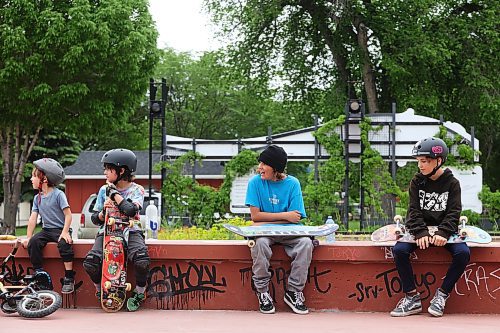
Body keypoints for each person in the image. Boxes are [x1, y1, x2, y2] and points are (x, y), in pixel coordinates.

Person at [390, 137, 470, 317]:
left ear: (439, 161)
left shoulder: (452, 183)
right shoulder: (416, 182)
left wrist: (443, 232)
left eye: (425, 161)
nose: (420, 165)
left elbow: (454, 211)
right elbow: (413, 210)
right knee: (400, 250)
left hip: (444, 231)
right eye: (419, 161)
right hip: (421, 230)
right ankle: (411, 298)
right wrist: (420, 232)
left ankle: (442, 295)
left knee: (463, 253)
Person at [245, 144, 312, 315]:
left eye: (264, 164)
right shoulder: (254, 183)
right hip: (265, 233)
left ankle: (293, 291)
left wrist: (266, 219)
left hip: (288, 231)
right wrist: (285, 216)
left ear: (275, 168)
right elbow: (255, 216)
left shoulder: (293, 184)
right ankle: (263, 292)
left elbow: (295, 217)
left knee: (305, 243)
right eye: (260, 163)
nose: (259, 168)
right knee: (259, 245)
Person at [82, 149, 150, 312]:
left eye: (108, 169)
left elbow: (130, 210)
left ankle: (140, 291)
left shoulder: (137, 190)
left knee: (141, 260)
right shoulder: (102, 191)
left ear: (121, 171)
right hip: (107, 230)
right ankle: (101, 290)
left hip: (131, 230)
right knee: (90, 263)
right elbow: (94, 219)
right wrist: (102, 212)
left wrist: (113, 194)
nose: (105, 172)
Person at [22, 158, 75, 293]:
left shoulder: (59, 194)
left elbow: (68, 215)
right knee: (34, 242)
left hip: (60, 229)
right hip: (46, 230)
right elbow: (33, 218)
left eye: (34, 176)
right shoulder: (37, 198)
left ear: (44, 179)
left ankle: (69, 277)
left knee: (64, 244)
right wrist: (28, 237)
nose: (31, 179)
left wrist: (64, 232)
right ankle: (40, 273)